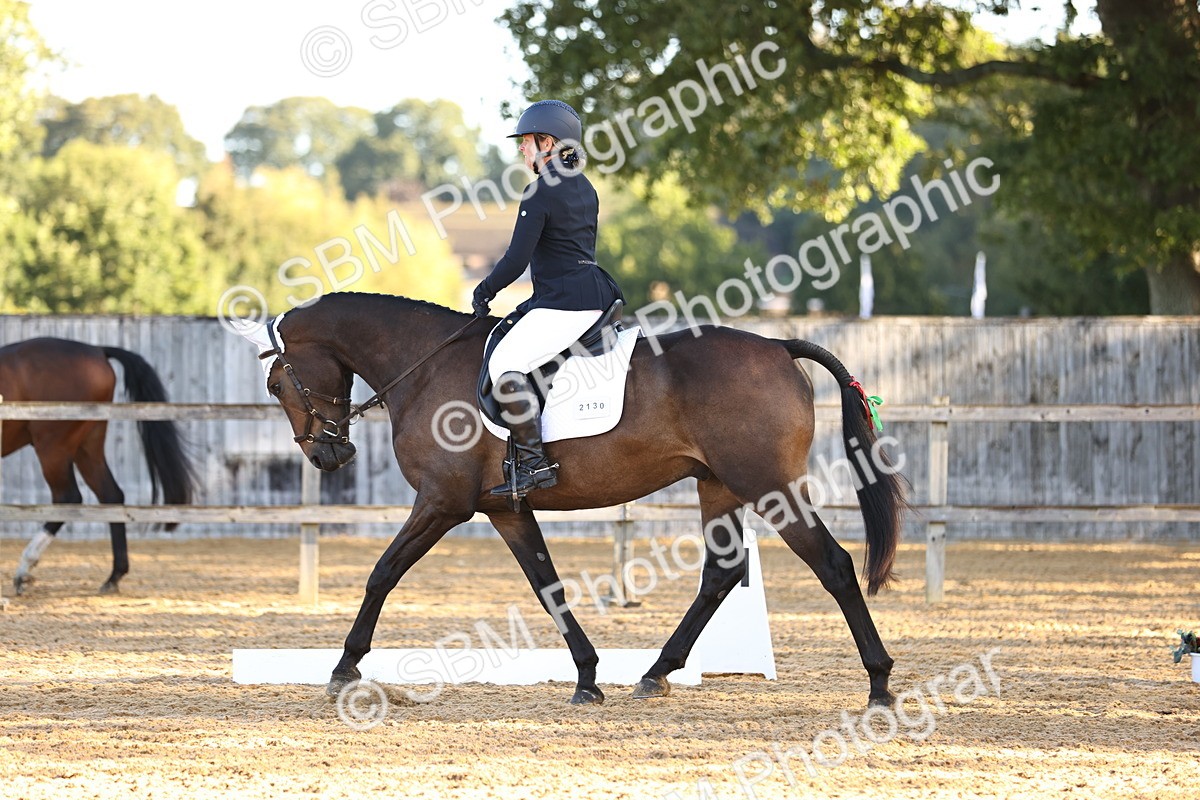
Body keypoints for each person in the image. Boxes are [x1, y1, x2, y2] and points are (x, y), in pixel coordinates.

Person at [472, 99, 623, 498]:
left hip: (564, 302)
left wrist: (485, 290)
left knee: (506, 362)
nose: (521, 150)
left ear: (548, 142)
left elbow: (516, 258)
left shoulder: (539, 190)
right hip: (592, 293)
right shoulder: (585, 187)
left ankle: (534, 464)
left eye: (526, 142)